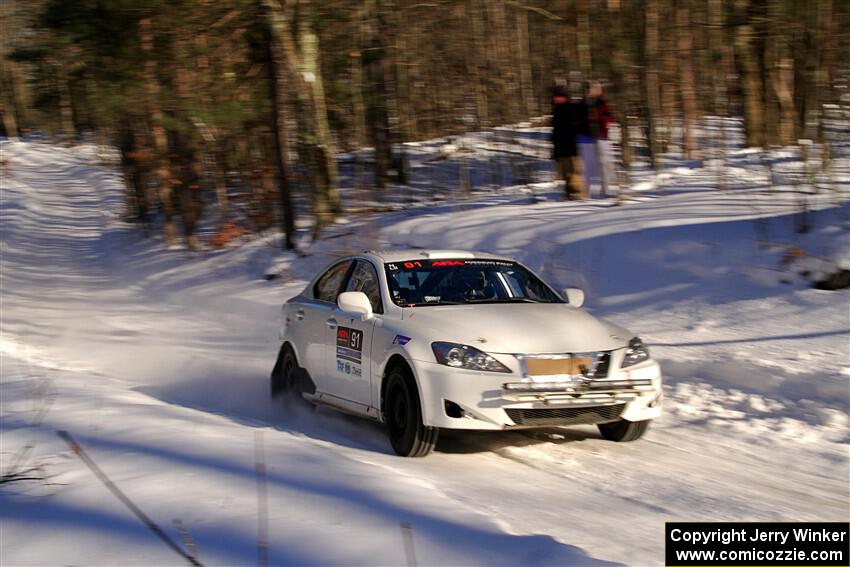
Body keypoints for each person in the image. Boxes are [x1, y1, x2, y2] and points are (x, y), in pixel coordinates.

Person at [550, 84, 587, 200]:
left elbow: (577, 125)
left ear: (564, 97)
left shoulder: (571, 108)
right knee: (566, 172)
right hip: (561, 147)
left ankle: (577, 193)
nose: (557, 99)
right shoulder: (556, 110)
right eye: (555, 97)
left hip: (572, 145)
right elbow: (556, 131)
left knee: (574, 171)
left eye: (559, 97)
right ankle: (569, 193)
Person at [583, 80, 617, 197]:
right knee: (591, 165)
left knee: (604, 162)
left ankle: (607, 189)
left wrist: (606, 125)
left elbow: (609, 117)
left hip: (602, 136)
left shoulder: (602, 102)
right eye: (590, 89)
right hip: (588, 138)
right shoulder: (586, 103)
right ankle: (591, 191)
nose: (590, 91)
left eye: (594, 89)